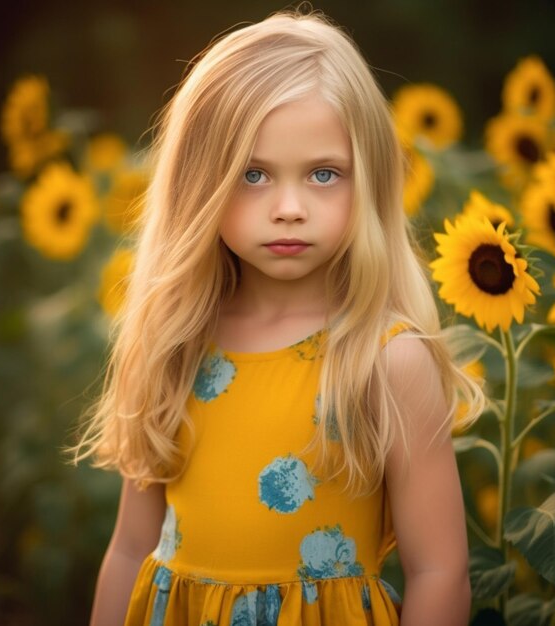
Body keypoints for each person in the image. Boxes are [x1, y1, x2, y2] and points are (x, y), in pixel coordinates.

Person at [72, 8, 485, 626]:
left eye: (324, 174)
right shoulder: (176, 342)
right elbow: (132, 546)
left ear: (368, 180)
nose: (288, 208)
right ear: (198, 182)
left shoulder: (385, 358)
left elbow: (440, 572)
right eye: (253, 174)